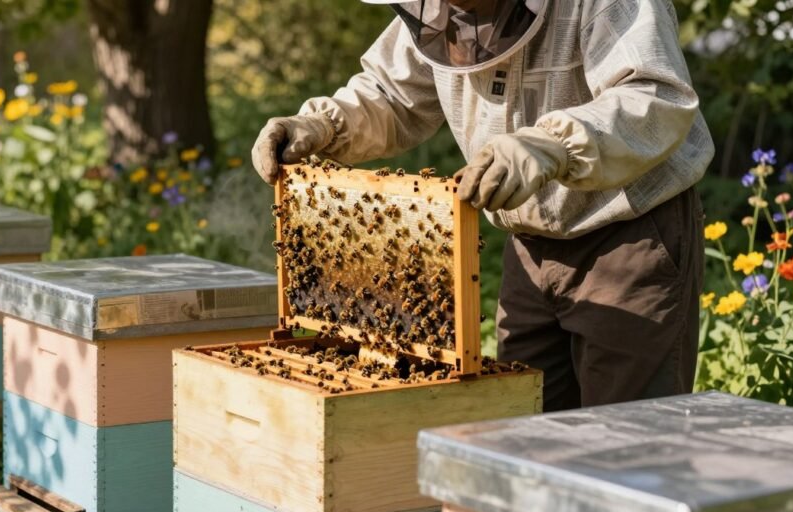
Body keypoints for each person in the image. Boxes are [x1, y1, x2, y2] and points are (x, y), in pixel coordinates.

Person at [251, 0, 714, 411]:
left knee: (628, 441)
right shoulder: (434, 10)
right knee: (526, 434)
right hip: (528, 248)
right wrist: (322, 124)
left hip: (628, 237)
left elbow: (655, 97)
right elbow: (392, 94)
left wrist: (550, 145)